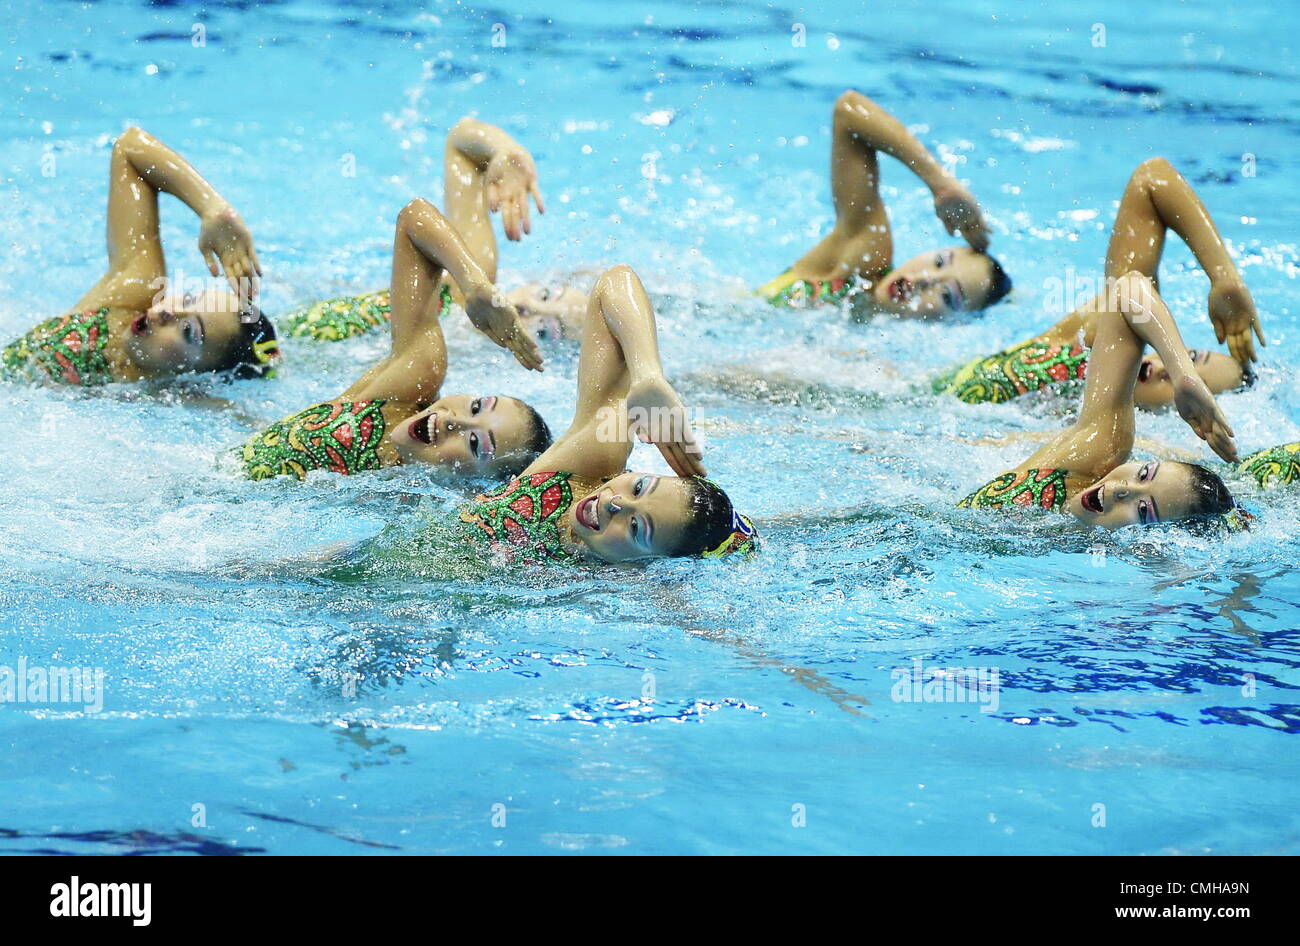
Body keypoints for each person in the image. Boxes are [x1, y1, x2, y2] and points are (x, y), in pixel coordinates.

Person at [459, 264, 755, 564]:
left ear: (646, 560)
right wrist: (647, 376)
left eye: (636, 527)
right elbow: (614, 282)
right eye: (639, 487)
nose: (616, 503)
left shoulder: (621, 580)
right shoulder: (579, 477)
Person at [238, 197, 547, 481]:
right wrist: (475, 285)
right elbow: (414, 218)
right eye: (477, 407)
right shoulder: (409, 385)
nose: (457, 422)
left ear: (474, 483)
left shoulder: (409, 512)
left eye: (476, 443)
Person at [936, 158, 1260, 409]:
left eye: (1188, 383)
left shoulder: (1115, 449)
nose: (1167, 370)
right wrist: (1223, 278)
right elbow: (1152, 179)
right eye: (1187, 358)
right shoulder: (1102, 338)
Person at [956, 272, 1244, 530]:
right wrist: (1184, 375)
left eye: (1143, 510)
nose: (1124, 491)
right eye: (1143, 474)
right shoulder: (1093, 454)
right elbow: (1128, 288)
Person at [1, 126, 277, 387]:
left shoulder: (175, 400)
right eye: (187, 299)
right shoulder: (129, 296)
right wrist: (212, 208)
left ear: (195, 376)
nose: (169, 310)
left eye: (188, 332)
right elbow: (130, 148)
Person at [281, 118, 556, 341]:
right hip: (270, 327)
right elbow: (460, 143)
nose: (528, 308)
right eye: (545, 296)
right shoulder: (468, 280)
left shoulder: (437, 370)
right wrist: (505, 151)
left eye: (545, 329)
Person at [757, 89, 1011, 316]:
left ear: (956, 326)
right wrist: (940, 183)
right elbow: (848, 111)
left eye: (947, 296)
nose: (924, 279)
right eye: (939, 262)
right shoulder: (861, 262)